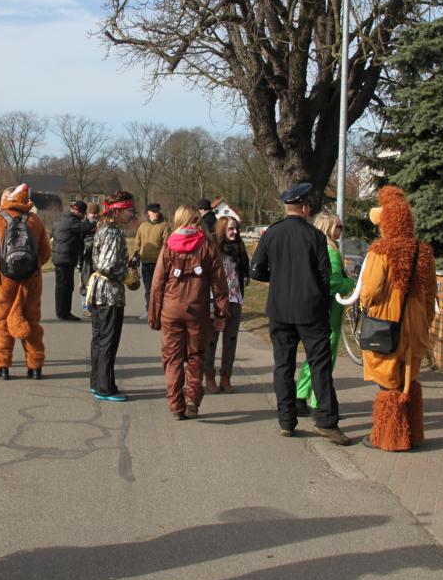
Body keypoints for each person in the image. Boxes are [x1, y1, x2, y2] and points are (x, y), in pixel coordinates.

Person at [249, 182, 351, 445]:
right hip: (311, 310)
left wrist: (277, 278)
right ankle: (326, 421)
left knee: (283, 365)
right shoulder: (315, 237)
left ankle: (287, 421)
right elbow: (325, 276)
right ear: (305, 208)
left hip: (280, 309)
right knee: (320, 365)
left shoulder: (271, 234)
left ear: (288, 207)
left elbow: (255, 270)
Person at [357, 185, 437, 452]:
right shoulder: (423, 252)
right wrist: (426, 318)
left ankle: (389, 437)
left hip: (388, 321)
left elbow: (371, 290)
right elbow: (430, 291)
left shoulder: (379, 251)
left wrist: (364, 305)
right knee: (409, 378)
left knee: (387, 379)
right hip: (416, 322)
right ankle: (412, 434)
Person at [148, 204, 228, 419]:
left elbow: (157, 283)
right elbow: (219, 283)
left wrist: (154, 314)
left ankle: (176, 405)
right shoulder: (208, 246)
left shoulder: (168, 245)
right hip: (197, 312)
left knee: (172, 359)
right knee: (195, 356)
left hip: (171, 310)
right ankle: (192, 398)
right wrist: (221, 312)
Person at [0, 184, 52, 380]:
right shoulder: (35, 221)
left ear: (8, 198)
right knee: (32, 321)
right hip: (31, 279)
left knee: (1, 322)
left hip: (4, 280)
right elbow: (46, 252)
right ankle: (35, 366)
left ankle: (2, 366)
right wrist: (32, 267)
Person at [293, 212, 356, 415]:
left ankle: (301, 394)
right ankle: (316, 401)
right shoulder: (331, 251)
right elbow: (333, 282)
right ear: (329, 228)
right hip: (330, 311)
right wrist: (351, 283)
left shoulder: (313, 248)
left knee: (315, 356)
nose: (341, 230)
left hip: (315, 308)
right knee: (325, 357)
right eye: (338, 226)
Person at [84, 191, 136, 401]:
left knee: (99, 340)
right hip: (109, 294)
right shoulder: (112, 232)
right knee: (107, 341)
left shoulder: (102, 228)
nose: (131, 214)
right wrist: (128, 276)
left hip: (99, 293)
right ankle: (105, 388)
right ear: (117, 211)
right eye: (129, 210)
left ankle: (98, 383)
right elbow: (108, 266)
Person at [206, 215, 249, 394]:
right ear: (222, 229)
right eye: (231, 229)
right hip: (214, 300)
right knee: (211, 341)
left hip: (234, 299)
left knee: (230, 340)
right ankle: (209, 377)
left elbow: (245, 270)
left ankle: (226, 377)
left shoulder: (239, 247)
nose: (235, 232)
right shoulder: (211, 247)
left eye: (236, 228)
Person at [51, 200, 95, 321]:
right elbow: (87, 227)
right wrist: (93, 221)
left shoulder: (62, 219)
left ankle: (61, 312)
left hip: (59, 257)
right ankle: (64, 313)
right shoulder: (72, 222)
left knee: (61, 286)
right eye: (83, 214)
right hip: (65, 258)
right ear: (79, 212)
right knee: (66, 287)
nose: (83, 216)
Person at [131, 202, 168, 309]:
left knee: (159, 288)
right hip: (145, 263)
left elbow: (167, 245)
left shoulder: (164, 226)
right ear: (148, 213)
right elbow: (137, 245)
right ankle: (149, 310)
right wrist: (134, 262)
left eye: (157, 211)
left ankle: (159, 309)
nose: (156, 213)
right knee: (148, 289)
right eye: (154, 211)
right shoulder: (143, 226)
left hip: (159, 264)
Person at [78, 202, 101, 315]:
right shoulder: (82, 225)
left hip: (99, 259)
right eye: (92, 213)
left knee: (97, 283)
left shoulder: (102, 224)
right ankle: (85, 307)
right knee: (84, 283)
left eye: (96, 213)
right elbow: (78, 244)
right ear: (87, 213)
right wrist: (79, 261)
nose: (95, 215)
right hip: (85, 259)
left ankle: (95, 306)